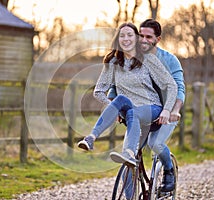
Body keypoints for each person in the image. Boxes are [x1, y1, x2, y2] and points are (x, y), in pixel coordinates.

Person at [77, 22, 177, 168]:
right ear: (118, 40)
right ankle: (91, 138)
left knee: (133, 113)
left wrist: (167, 109)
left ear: (136, 39)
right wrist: (112, 107)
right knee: (120, 100)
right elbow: (98, 91)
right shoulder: (113, 62)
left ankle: (129, 153)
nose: (126, 39)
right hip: (129, 108)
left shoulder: (147, 59)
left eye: (130, 35)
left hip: (151, 107)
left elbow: (171, 85)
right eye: (122, 36)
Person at [137, 18, 186, 192]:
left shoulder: (170, 60)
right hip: (145, 111)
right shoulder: (132, 58)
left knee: (155, 144)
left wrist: (174, 110)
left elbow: (179, 87)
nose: (143, 40)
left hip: (167, 112)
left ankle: (168, 170)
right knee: (131, 151)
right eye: (140, 35)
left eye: (148, 37)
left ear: (158, 39)